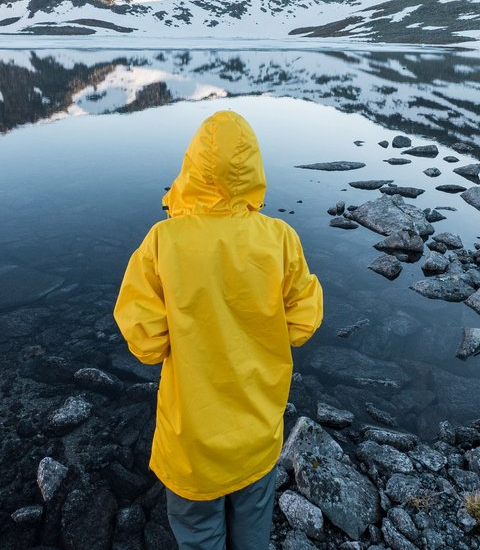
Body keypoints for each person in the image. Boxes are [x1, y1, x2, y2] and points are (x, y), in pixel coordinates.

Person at [113, 110, 324, 550]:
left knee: (198, 532)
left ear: (191, 167)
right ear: (252, 169)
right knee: (253, 522)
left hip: (191, 440)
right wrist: (257, 334)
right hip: (257, 429)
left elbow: (147, 344)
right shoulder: (280, 238)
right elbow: (303, 322)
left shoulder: (162, 242)